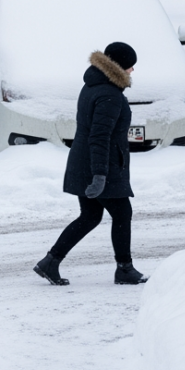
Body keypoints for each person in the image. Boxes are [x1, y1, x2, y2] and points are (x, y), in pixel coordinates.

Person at [34, 42, 149, 286]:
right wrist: (99, 175)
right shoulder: (110, 94)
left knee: (90, 216)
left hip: (82, 161)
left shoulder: (92, 85)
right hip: (100, 166)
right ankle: (124, 269)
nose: (132, 71)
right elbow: (99, 137)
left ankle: (50, 261)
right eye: (129, 66)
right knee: (122, 213)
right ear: (118, 66)